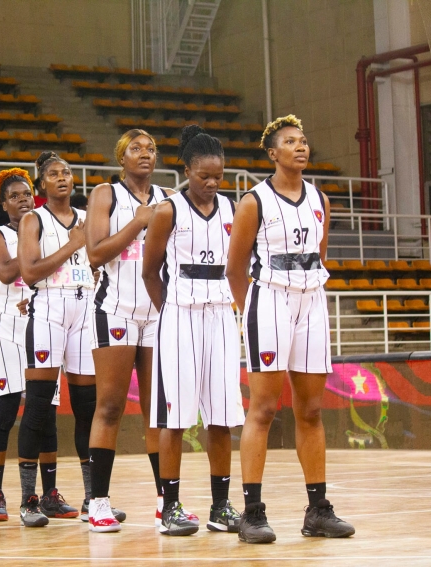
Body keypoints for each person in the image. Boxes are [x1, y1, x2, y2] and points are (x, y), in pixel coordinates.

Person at [226, 115, 355, 544]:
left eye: (303, 140)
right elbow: (234, 268)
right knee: (263, 409)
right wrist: (252, 313)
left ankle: (317, 510)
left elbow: (319, 255)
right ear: (272, 153)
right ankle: (252, 512)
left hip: (311, 300)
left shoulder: (320, 199)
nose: (300, 146)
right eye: (290, 141)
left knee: (311, 410)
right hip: (269, 299)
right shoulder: (253, 201)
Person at [142, 125, 244, 537]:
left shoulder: (233, 208)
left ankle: (221, 507)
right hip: (179, 314)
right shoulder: (168, 210)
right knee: (175, 418)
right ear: (187, 170)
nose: (212, 183)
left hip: (220, 313)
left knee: (221, 416)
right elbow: (150, 272)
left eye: (218, 176)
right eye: (204, 176)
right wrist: (168, 312)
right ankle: (170, 507)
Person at [83, 129, 167, 533]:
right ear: (121, 158)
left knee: (159, 411)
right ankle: (98, 501)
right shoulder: (106, 194)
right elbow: (95, 252)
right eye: (135, 148)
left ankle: (166, 501)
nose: (145, 154)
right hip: (115, 309)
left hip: (156, 312)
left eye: (150, 148)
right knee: (111, 406)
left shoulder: (168, 198)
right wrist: (136, 223)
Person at [16, 152, 93, 527]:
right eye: (54, 174)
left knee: (86, 406)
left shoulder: (88, 220)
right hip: (48, 308)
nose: (62, 178)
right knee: (39, 406)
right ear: (41, 184)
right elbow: (29, 273)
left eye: (67, 172)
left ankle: (94, 496)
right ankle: (29, 499)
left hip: (85, 306)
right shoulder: (34, 220)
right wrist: (72, 246)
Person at [0, 168, 40, 522]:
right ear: (4, 205)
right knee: (4, 411)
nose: (23, 200)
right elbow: (5, 272)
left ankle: (42, 493)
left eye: (26, 194)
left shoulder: (46, 227)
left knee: (40, 411)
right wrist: (37, 251)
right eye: (14, 196)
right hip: (4, 327)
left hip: (39, 321)